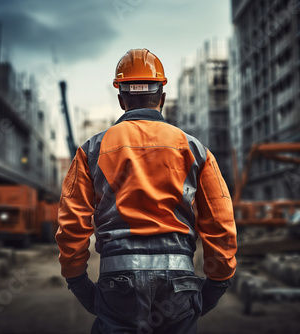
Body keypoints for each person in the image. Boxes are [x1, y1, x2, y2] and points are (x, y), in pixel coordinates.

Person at [56, 48, 237, 334]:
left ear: (121, 99)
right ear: (161, 98)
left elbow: (71, 225)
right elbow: (221, 225)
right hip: (178, 287)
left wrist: (78, 281)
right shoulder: (195, 150)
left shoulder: (91, 150)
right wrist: (217, 284)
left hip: (118, 286)